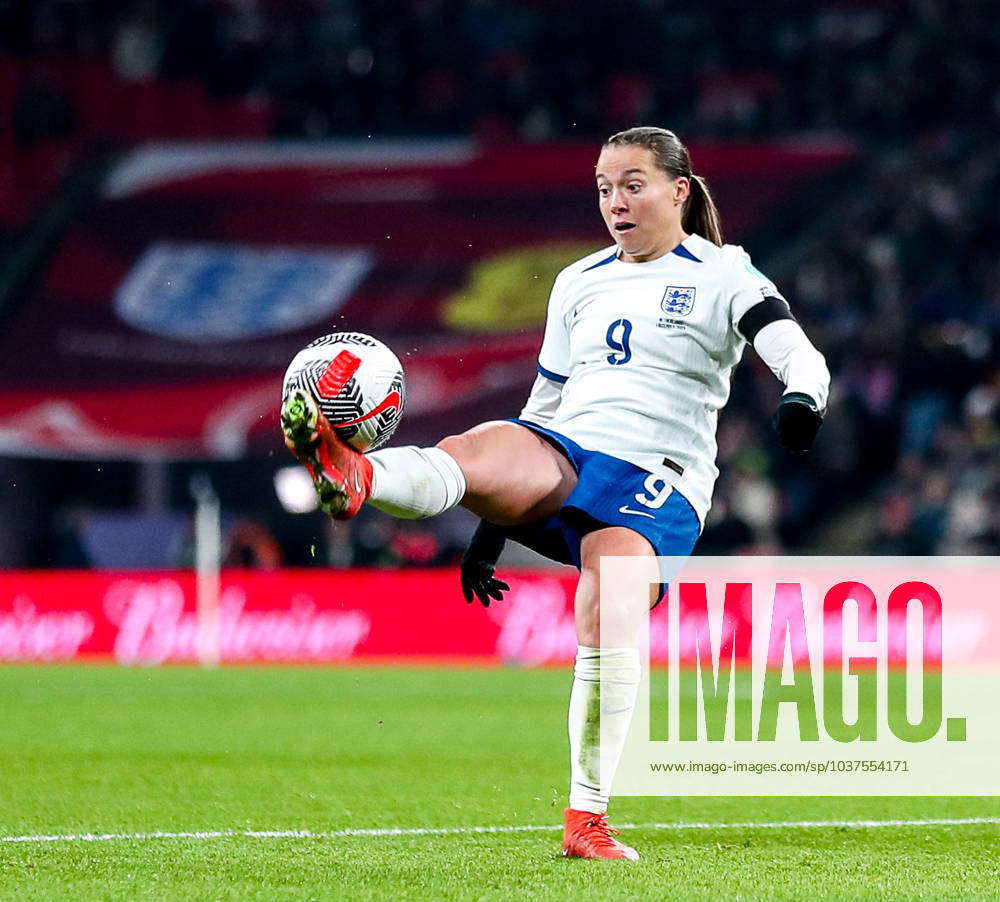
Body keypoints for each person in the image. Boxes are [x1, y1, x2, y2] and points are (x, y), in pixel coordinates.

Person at [280, 126, 830, 861]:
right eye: (604, 188)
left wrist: (802, 400)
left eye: (633, 184)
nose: (616, 202)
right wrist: (491, 519)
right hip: (570, 449)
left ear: (679, 190)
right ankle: (356, 474)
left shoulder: (725, 273)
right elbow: (544, 408)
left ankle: (587, 819)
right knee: (470, 448)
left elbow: (798, 352)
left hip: (658, 478)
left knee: (604, 604)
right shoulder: (578, 281)